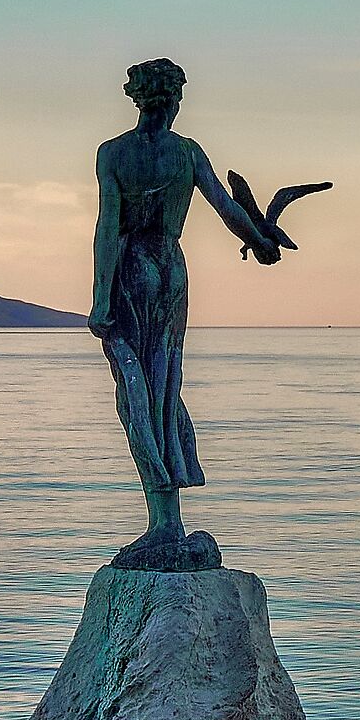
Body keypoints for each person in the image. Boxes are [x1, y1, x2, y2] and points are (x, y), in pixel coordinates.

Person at [89, 57, 277, 557]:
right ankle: (168, 518)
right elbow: (226, 206)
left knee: (137, 391)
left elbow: (110, 226)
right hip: (170, 268)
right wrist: (259, 240)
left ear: (137, 97)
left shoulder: (114, 153)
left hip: (132, 268)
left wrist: (100, 297)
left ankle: (164, 521)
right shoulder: (187, 153)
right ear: (173, 98)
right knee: (164, 383)